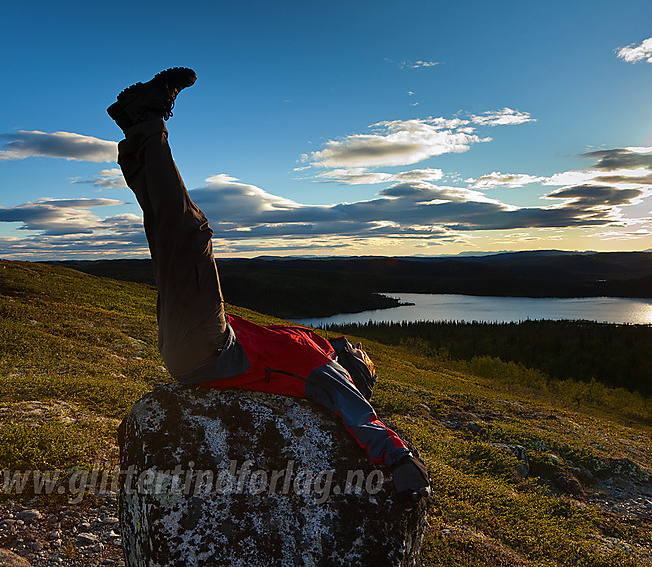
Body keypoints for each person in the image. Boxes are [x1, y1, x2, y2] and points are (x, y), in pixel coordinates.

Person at [107, 68, 431, 504]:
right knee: (167, 231)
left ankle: (148, 118)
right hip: (202, 342)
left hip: (207, 350)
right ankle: (137, 128)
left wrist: (401, 459)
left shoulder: (327, 373)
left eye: (360, 357)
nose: (356, 348)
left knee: (189, 233)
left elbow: (361, 416)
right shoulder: (313, 347)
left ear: (354, 371)